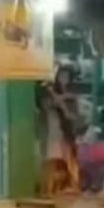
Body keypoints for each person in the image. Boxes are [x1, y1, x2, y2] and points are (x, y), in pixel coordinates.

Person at [37, 67, 80, 196]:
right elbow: (47, 105)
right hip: (53, 133)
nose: (63, 79)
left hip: (67, 133)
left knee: (69, 162)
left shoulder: (71, 97)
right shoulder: (49, 93)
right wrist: (60, 99)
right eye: (61, 76)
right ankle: (47, 190)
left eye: (66, 76)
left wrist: (64, 105)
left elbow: (73, 116)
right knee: (51, 162)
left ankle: (72, 187)